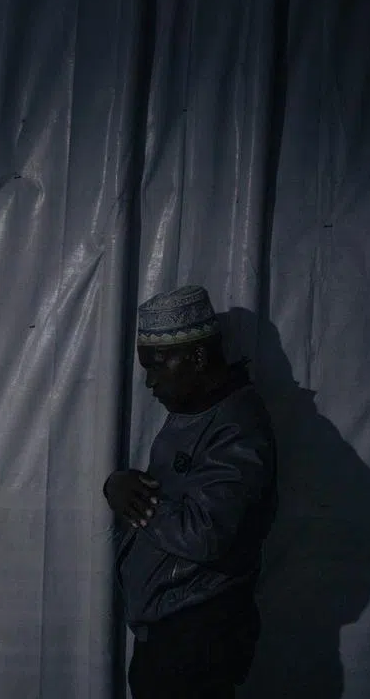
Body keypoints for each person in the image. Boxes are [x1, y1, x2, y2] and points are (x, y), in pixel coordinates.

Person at [104, 285, 278, 699]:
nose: (149, 382)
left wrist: (131, 499)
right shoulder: (197, 413)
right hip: (174, 636)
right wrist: (116, 485)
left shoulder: (236, 427)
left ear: (198, 358)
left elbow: (206, 533)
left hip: (197, 640)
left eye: (158, 366)